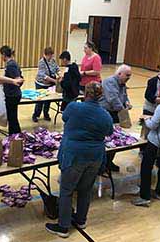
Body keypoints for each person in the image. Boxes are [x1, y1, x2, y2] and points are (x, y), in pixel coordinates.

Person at [45, 82, 113, 238]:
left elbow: (64, 117)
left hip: (74, 155)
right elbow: (109, 132)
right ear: (100, 96)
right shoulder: (105, 114)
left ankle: (63, 227)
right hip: (95, 156)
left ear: (85, 94)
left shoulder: (74, 107)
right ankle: (81, 220)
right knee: (85, 190)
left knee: (67, 191)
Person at [100, 64, 132, 171]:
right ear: (119, 74)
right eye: (127, 75)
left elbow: (125, 96)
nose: (128, 78)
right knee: (105, 139)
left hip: (116, 113)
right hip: (106, 113)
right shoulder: (109, 82)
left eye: (130, 76)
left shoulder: (122, 83)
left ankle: (109, 162)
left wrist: (127, 103)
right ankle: (102, 163)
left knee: (115, 138)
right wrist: (123, 110)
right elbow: (113, 99)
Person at [32, 47, 60, 122]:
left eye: (51, 55)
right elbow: (43, 76)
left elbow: (57, 68)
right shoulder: (41, 62)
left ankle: (46, 114)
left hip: (49, 84)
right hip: (41, 83)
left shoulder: (53, 60)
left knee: (48, 100)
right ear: (45, 55)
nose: (50, 57)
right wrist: (54, 81)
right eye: (48, 55)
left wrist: (59, 74)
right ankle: (36, 115)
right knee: (40, 100)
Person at [0, 45, 23, 135]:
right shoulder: (11, 64)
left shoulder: (11, 65)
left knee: (12, 118)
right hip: (12, 94)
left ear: (4, 54)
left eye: (1, 55)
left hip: (12, 95)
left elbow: (18, 79)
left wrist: (8, 84)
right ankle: (15, 136)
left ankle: (15, 137)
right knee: (12, 117)